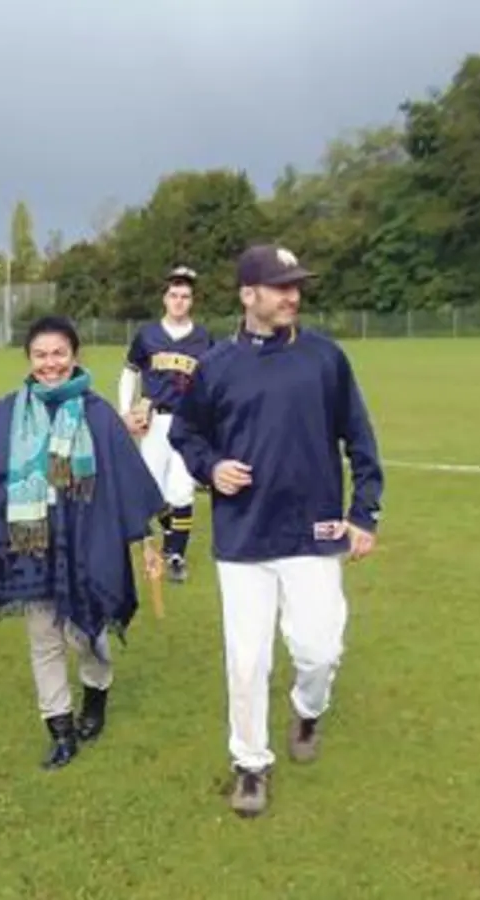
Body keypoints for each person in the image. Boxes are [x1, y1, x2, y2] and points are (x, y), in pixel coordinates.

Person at [168, 244, 384, 818]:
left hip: (314, 532)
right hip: (243, 540)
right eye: (280, 286)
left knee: (319, 649)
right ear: (247, 295)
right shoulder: (216, 366)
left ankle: (308, 709)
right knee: (246, 658)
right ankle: (250, 764)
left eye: (297, 286)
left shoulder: (325, 359)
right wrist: (211, 467)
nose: (293, 296)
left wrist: (364, 512)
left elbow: (360, 440)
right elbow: (185, 436)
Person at [0, 317, 165, 771]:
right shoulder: (10, 412)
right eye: (41, 355)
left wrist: (145, 541)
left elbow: (125, 477)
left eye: (58, 353)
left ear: (74, 356)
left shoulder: (97, 414)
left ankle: (96, 693)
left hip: (88, 539)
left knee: (87, 633)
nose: (50, 364)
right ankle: (61, 729)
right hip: (33, 545)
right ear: (29, 360)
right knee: (43, 640)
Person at [118, 264, 215, 583]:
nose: (179, 301)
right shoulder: (148, 335)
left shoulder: (204, 339)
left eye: (185, 296)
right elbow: (131, 371)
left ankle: (175, 554)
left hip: (189, 423)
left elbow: (213, 382)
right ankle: (161, 543)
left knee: (182, 489)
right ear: (165, 298)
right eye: (174, 295)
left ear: (192, 301)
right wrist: (126, 410)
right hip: (154, 423)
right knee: (153, 491)